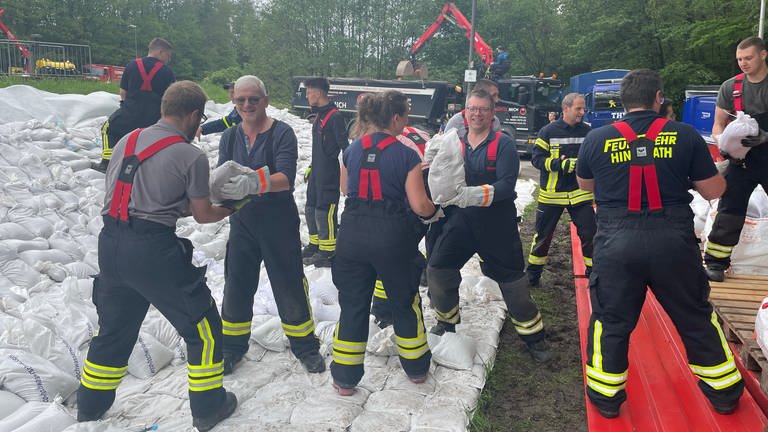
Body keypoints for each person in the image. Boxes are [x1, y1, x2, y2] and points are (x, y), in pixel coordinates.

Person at [576, 69, 744, 419]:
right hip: (673, 241)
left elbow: (586, 185)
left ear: (623, 102)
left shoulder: (596, 138)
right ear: (658, 98)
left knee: (611, 319)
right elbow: (712, 192)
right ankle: (725, 393)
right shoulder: (684, 135)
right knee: (695, 316)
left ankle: (606, 398)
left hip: (616, 241)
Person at [77, 81, 237, 432]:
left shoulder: (127, 140)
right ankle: (210, 406)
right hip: (152, 250)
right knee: (205, 328)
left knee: (115, 330)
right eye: (201, 120)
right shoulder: (191, 155)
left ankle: (89, 406)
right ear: (195, 115)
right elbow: (203, 214)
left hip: (111, 243)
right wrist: (235, 205)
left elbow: (131, 193)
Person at [427, 89, 550, 362]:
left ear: (492, 114)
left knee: (513, 283)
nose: (477, 114)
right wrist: (432, 162)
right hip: (460, 222)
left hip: (496, 224)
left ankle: (534, 338)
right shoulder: (454, 142)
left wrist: (472, 194)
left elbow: (506, 186)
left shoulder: (503, 144)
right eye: (472, 109)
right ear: (465, 112)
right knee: (438, 270)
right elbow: (440, 180)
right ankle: (447, 321)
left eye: (483, 109)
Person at [330, 91, 440, 395]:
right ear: (395, 118)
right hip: (392, 238)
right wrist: (436, 212)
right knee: (404, 303)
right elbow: (419, 205)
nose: (407, 121)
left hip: (351, 236)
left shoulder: (351, 150)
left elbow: (344, 188)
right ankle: (417, 369)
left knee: (352, 305)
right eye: (405, 115)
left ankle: (344, 379)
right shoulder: (406, 154)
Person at [215, 75, 324, 375]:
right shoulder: (229, 137)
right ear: (234, 102)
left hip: (277, 222)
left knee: (288, 284)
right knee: (237, 285)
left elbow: (286, 179)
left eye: (253, 99)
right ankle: (232, 348)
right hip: (243, 223)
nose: (247, 105)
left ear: (265, 100)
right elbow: (222, 176)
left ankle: (305, 346)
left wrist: (251, 182)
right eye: (241, 100)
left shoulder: (282, 133)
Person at [704, 36, 768, 282]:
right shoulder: (730, 87)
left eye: (748, 58)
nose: (743, 63)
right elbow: (718, 125)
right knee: (729, 210)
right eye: (740, 59)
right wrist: (724, 143)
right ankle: (716, 263)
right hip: (742, 161)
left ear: (763, 55)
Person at [527, 93, 595, 287]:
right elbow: (536, 159)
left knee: (590, 234)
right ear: (565, 109)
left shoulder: (588, 132)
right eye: (578, 109)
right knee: (543, 237)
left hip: (580, 194)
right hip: (552, 195)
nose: (582, 112)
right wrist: (559, 164)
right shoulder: (547, 131)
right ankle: (532, 276)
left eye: (584, 109)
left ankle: (594, 274)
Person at [93, 37, 175, 172]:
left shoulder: (132, 65)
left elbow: (123, 93)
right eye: (168, 55)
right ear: (160, 52)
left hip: (130, 114)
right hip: (154, 119)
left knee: (108, 128)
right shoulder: (167, 72)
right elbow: (171, 98)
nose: (168, 59)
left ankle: (107, 163)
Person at [301, 77, 349, 267]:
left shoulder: (335, 117)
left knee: (324, 211)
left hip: (328, 174)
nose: (306, 96)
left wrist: (348, 175)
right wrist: (312, 168)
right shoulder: (319, 115)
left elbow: (345, 147)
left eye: (308, 92)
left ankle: (328, 251)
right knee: (311, 208)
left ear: (318, 93)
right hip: (316, 173)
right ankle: (315, 244)